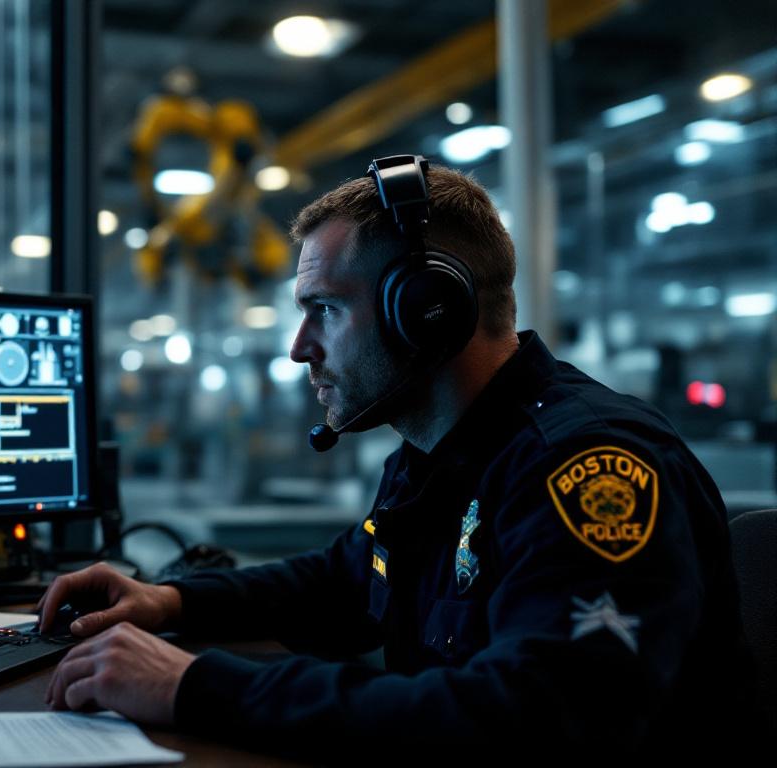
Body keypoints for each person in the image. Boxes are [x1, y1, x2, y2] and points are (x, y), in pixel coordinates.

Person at [38, 156, 762, 752]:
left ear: (424, 311)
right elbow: (345, 580)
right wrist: (171, 600)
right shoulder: (438, 457)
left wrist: (191, 687)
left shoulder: (587, 468)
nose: (300, 350)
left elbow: (530, 717)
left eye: (323, 309)